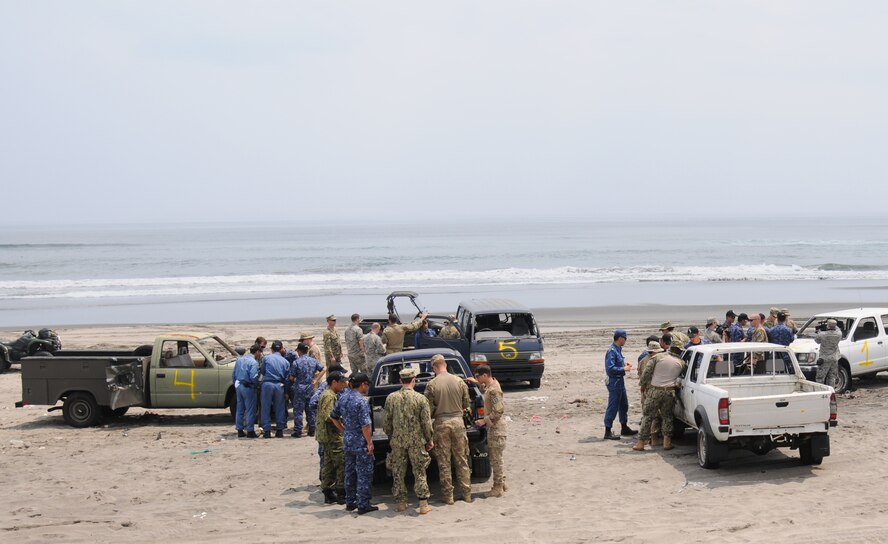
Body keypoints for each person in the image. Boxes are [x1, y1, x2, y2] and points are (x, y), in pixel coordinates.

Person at [383, 367, 435, 515]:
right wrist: (429, 439)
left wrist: (391, 435)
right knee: (419, 470)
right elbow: (426, 423)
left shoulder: (391, 398)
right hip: (416, 441)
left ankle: (401, 503)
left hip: (398, 441)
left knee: (398, 471)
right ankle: (423, 504)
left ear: (400, 381)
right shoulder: (421, 399)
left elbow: (387, 423)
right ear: (414, 380)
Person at [424, 353, 472, 504]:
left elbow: (428, 410)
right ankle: (467, 494)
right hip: (458, 422)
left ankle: (448, 496)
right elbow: (466, 403)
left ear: (434, 367)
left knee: (444, 462)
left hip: (441, 424)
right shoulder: (459, 381)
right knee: (462, 459)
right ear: (445, 364)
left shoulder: (432, 384)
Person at [331, 372, 377, 514]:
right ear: (362, 385)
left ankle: (350, 501)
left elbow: (334, 417)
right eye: (366, 385)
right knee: (364, 472)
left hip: (348, 439)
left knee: (349, 472)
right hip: (360, 441)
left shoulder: (343, 397)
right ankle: (363, 504)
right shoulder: (361, 401)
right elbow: (365, 425)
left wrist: (344, 430)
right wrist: (369, 442)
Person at [633, 339, 686, 451]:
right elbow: (683, 377)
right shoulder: (682, 363)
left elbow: (646, 373)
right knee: (667, 417)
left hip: (655, 391)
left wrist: (642, 384)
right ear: (680, 351)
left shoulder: (657, 358)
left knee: (648, 416)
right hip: (669, 392)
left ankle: (641, 443)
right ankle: (667, 442)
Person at [467, 364, 507, 498]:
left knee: (496, 459)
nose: (477, 378)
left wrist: (484, 421)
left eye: (478, 376)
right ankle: (502, 483)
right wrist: (477, 383)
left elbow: (499, 410)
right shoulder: (491, 386)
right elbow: (486, 390)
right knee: (496, 458)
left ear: (485, 375)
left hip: (496, 429)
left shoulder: (494, 391)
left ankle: (497, 488)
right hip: (494, 428)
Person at [310, 364, 348, 480]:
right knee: (327, 459)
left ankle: (328, 483)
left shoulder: (336, 391)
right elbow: (313, 403)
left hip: (331, 432)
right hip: (327, 433)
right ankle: (325, 482)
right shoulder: (326, 391)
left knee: (330, 460)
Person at [316, 371, 347, 505]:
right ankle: (340, 492)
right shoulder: (329, 396)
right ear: (334, 382)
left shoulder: (328, 394)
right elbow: (329, 417)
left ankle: (327, 491)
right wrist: (342, 426)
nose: (343, 385)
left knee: (328, 464)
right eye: (341, 382)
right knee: (341, 463)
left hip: (326, 436)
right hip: (332, 435)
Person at [603, 329, 637, 440]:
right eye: (625, 338)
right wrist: (624, 368)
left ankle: (624, 427)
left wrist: (623, 364)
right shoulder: (612, 350)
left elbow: (617, 362)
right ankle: (607, 431)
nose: (626, 341)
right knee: (613, 406)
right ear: (621, 338)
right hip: (614, 382)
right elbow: (610, 369)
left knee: (624, 404)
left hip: (619, 381)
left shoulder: (617, 349)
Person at [288, 342, 325, 438]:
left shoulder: (296, 362)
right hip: (310, 388)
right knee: (310, 409)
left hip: (299, 388)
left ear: (299, 351)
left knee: (298, 410)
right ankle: (312, 430)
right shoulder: (313, 361)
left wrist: (293, 379)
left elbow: (292, 377)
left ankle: (298, 430)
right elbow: (323, 369)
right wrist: (316, 380)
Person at [260, 340, 290, 438]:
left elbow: (263, 371)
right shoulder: (285, 361)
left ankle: (267, 431)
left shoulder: (266, 358)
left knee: (265, 407)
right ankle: (279, 430)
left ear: (272, 349)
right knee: (280, 407)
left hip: (267, 384)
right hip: (279, 385)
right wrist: (286, 392)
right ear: (281, 349)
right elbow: (287, 378)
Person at [232, 344, 261, 438]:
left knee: (240, 408)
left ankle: (239, 430)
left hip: (239, 385)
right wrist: (257, 385)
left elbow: (234, 374)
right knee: (250, 409)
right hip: (248, 387)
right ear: (257, 352)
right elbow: (253, 376)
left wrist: (236, 385)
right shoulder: (254, 362)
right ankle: (250, 430)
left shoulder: (240, 360)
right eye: (260, 352)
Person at [815, 319, 842, 389]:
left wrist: (820, 331)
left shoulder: (822, 334)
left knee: (820, 378)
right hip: (834, 358)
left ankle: (819, 393)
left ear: (828, 326)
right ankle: (831, 393)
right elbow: (837, 328)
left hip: (824, 358)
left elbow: (817, 341)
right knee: (832, 377)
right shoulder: (839, 334)